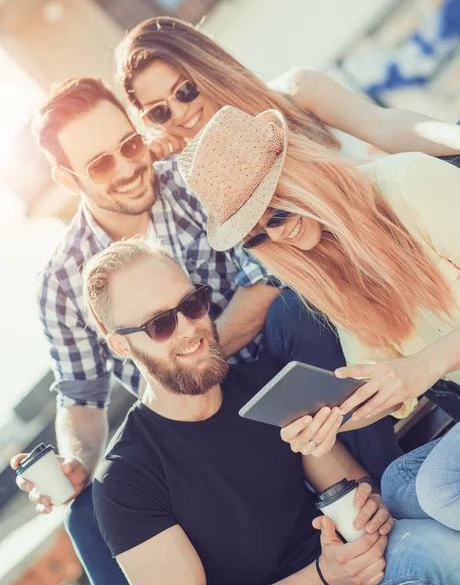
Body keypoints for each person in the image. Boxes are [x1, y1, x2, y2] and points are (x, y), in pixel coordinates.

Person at [8, 77, 338, 585]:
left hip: (266, 369)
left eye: (129, 144)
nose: (126, 168)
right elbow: (80, 396)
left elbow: (268, 282)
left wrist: (191, 348)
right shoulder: (59, 283)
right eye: (99, 164)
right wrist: (74, 463)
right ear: (69, 179)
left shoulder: (192, 181)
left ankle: (382, 494)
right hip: (183, 431)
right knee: (90, 513)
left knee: (296, 313)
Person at [87, 236, 460, 585]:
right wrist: (323, 576)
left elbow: (350, 484)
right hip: (329, 575)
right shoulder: (123, 481)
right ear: (121, 344)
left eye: (191, 305)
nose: (188, 329)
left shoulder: (267, 390)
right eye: (160, 324)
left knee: (430, 528)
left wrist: (369, 507)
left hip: (358, 564)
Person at [178, 104, 460, 526]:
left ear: (300, 169)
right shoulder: (327, 269)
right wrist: (330, 425)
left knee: (436, 488)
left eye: (277, 211)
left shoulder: (408, 183)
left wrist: (422, 366)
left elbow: (413, 373)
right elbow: (383, 385)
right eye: (258, 234)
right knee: (399, 485)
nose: (278, 234)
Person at [115, 16, 460, 163]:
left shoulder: (296, 91)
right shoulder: (199, 179)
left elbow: (383, 125)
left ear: (208, 68)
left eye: (185, 90)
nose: (179, 113)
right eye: (159, 111)